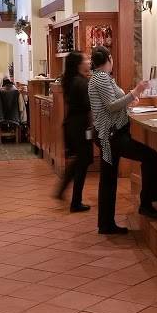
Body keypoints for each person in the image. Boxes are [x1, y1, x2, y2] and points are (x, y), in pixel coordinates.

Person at [88, 46, 157, 234]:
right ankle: (146, 204)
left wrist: (129, 99)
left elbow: (113, 103)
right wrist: (135, 92)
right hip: (112, 136)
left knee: (108, 179)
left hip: (109, 135)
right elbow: (111, 106)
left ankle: (106, 224)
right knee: (150, 157)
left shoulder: (100, 77)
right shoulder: (101, 78)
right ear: (109, 58)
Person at [55, 51, 93, 212]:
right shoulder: (81, 82)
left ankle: (63, 191)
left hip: (72, 125)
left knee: (80, 160)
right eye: (86, 59)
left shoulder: (71, 80)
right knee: (83, 162)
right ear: (79, 64)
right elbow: (88, 105)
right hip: (80, 127)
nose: (89, 61)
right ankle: (75, 202)